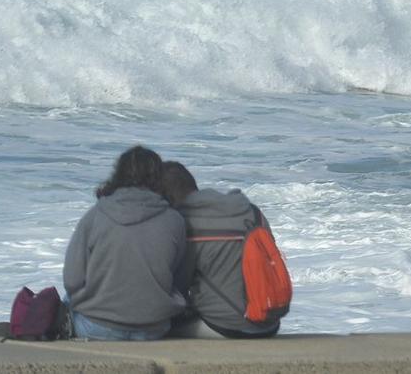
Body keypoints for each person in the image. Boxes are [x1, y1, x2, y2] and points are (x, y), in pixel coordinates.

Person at [61, 145, 189, 341]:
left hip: (96, 328)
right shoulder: (175, 220)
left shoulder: (95, 215)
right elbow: (178, 281)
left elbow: (72, 280)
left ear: (118, 175)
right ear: (158, 178)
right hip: (154, 329)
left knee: (66, 300)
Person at [160, 161, 286, 339]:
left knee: (158, 329)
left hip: (227, 327)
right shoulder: (251, 212)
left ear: (167, 198)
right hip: (270, 322)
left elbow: (178, 287)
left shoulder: (186, 223)